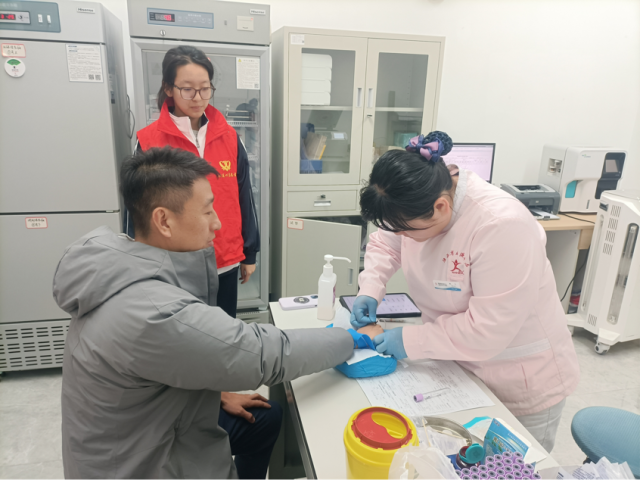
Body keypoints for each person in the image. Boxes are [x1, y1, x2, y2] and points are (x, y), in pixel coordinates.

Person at [55, 147, 374, 480]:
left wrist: (217, 393)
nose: (217, 223)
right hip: (140, 465)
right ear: (164, 220)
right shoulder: (154, 312)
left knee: (264, 418)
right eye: (207, 211)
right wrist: (351, 338)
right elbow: (265, 354)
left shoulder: (122, 264)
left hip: (138, 434)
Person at [350, 131, 580, 452]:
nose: (402, 237)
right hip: (457, 367)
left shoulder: (501, 226)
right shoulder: (415, 198)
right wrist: (371, 287)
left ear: (441, 207)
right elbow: (387, 242)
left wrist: (409, 340)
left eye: (407, 231)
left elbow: (487, 330)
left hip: (518, 379)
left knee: (511, 469)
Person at [129, 45, 257, 318]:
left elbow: (244, 196)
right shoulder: (149, 141)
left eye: (205, 89)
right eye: (187, 89)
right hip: (174, 264)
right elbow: (138, 211)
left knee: (225, 332)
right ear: (168, 88)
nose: (198, 98)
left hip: (225, 259)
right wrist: (140, 265)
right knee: (181, 334)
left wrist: (249, 253)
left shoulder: (230, 137)